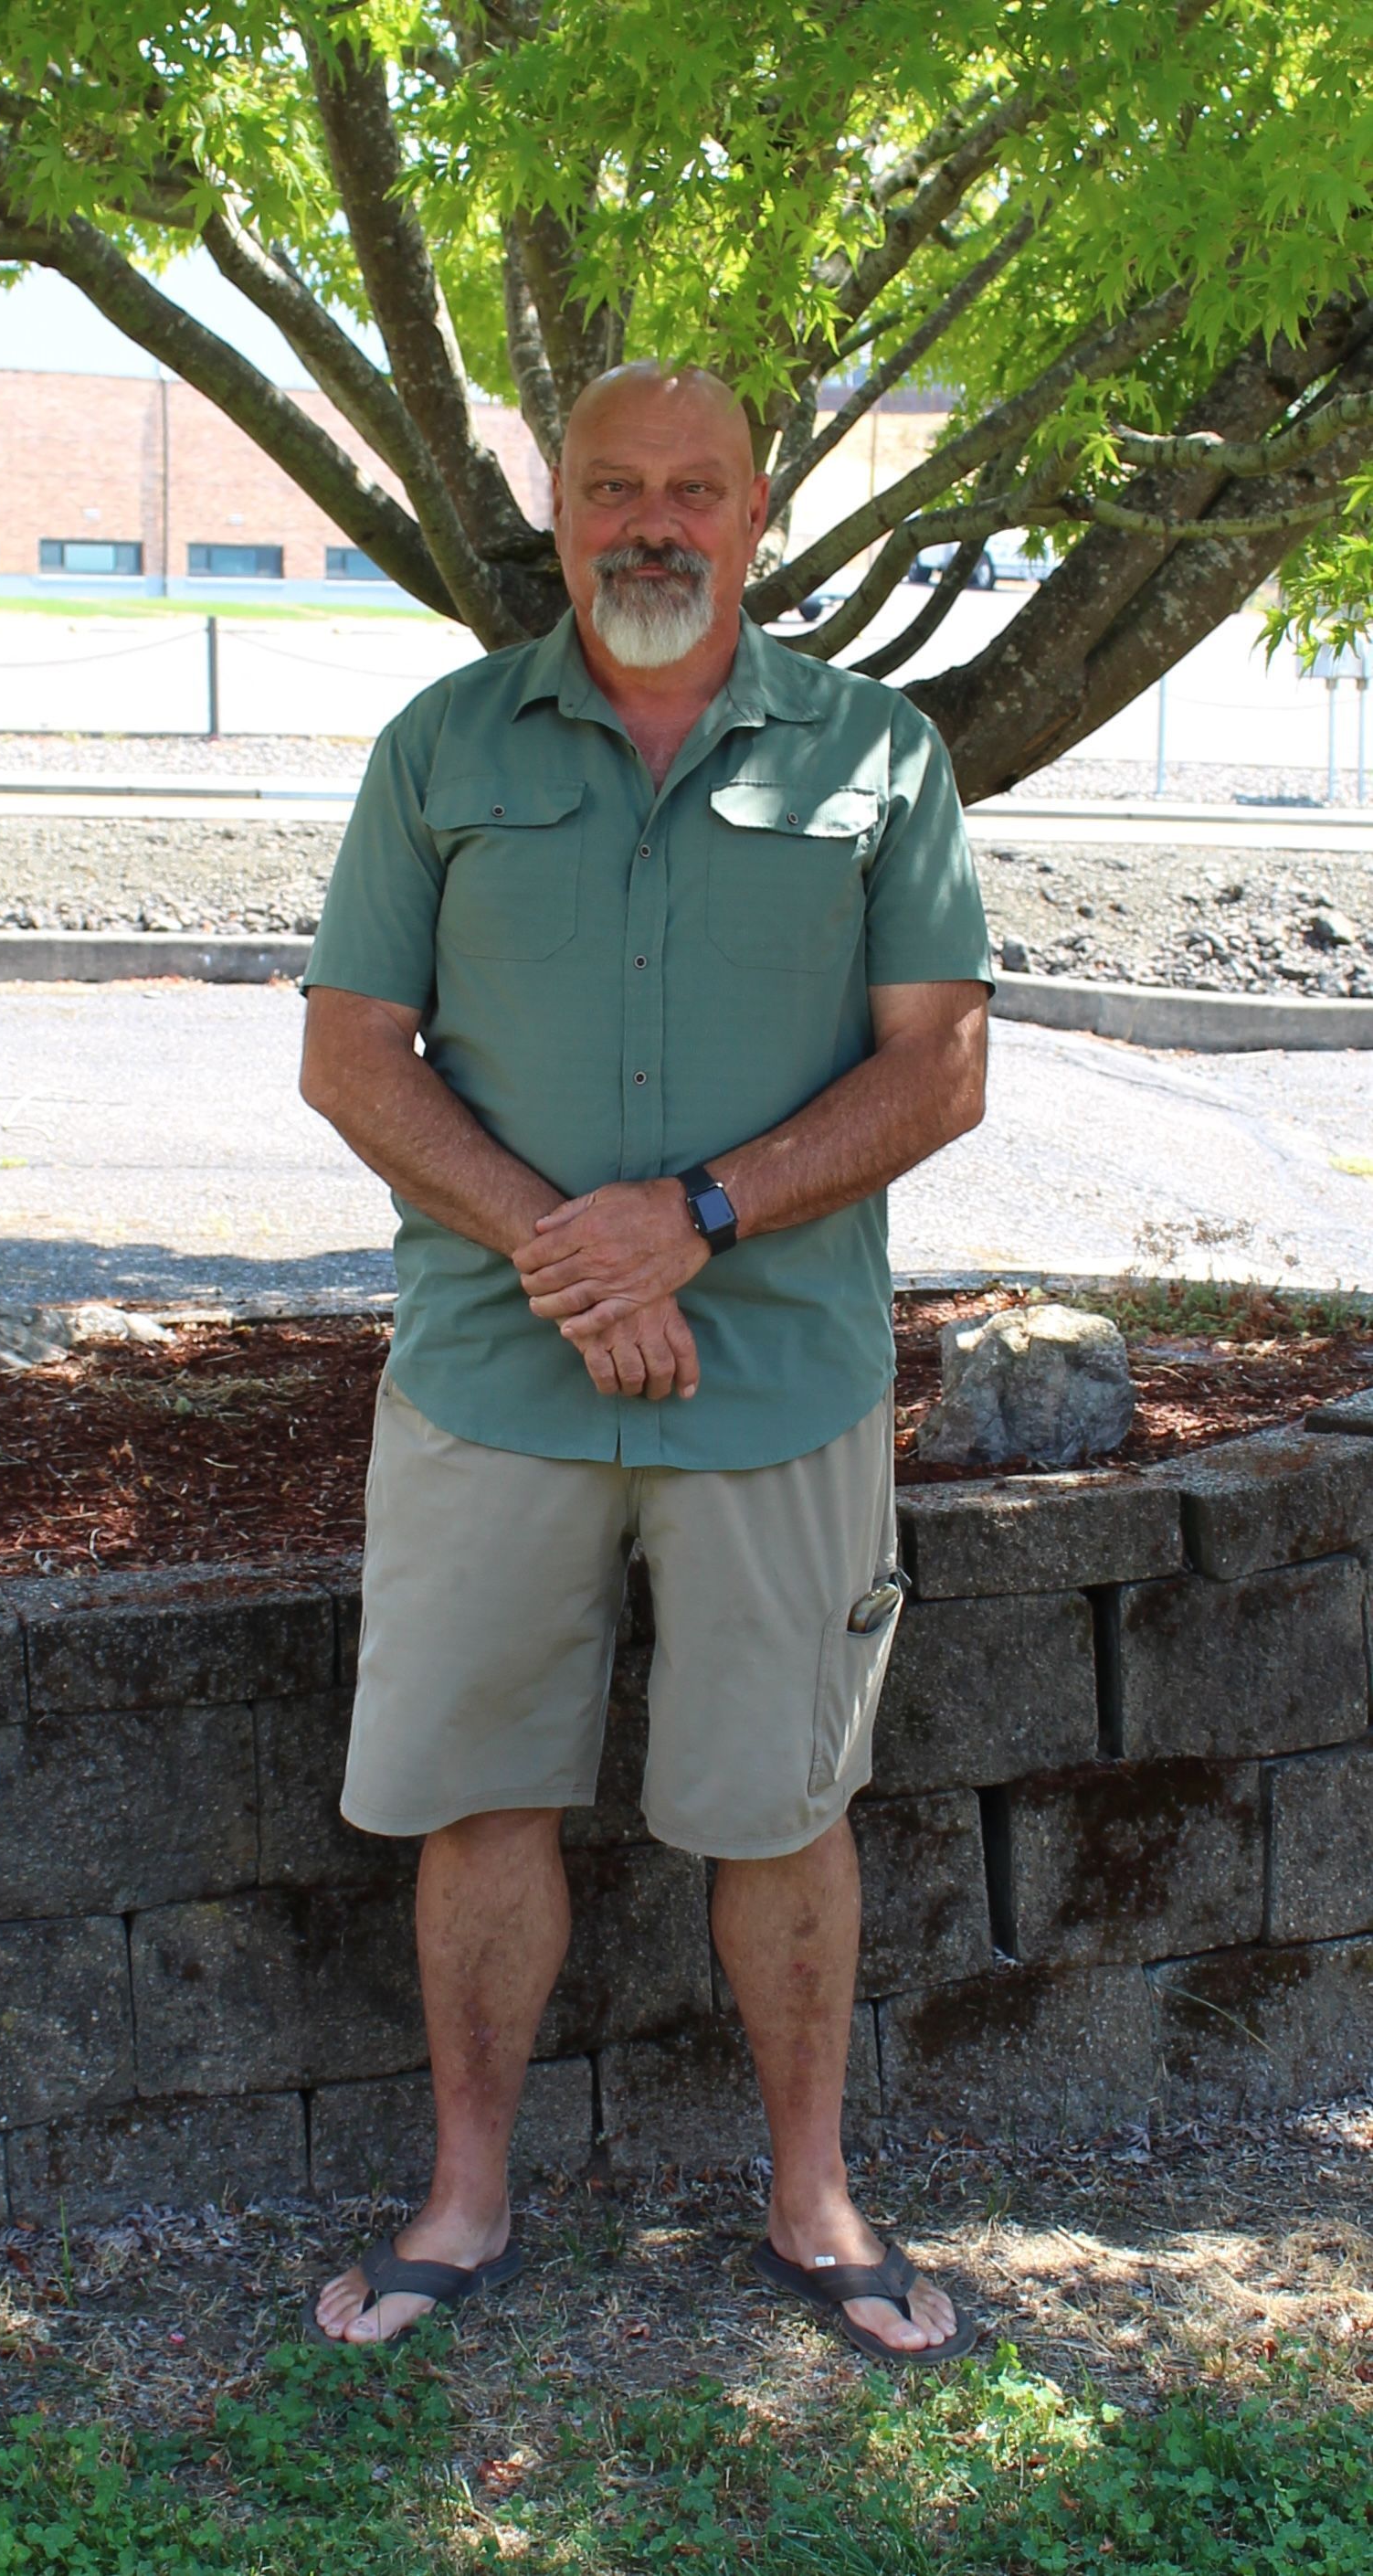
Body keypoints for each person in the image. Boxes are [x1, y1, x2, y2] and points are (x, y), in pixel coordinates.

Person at [298, 362, 992, 2365]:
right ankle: (464, 2198)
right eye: (614, 487)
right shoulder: (438, 744)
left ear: (759, 514)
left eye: (696, 488)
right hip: (488, 1381)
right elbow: (352, 1051)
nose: (653, 522)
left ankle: (811, 2197)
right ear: (560, 507)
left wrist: (685, 1221)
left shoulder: (878, 754)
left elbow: (937, 1062)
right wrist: (567, 1250)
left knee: (782, 1808)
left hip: (779, 1381)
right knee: (479, 1797)